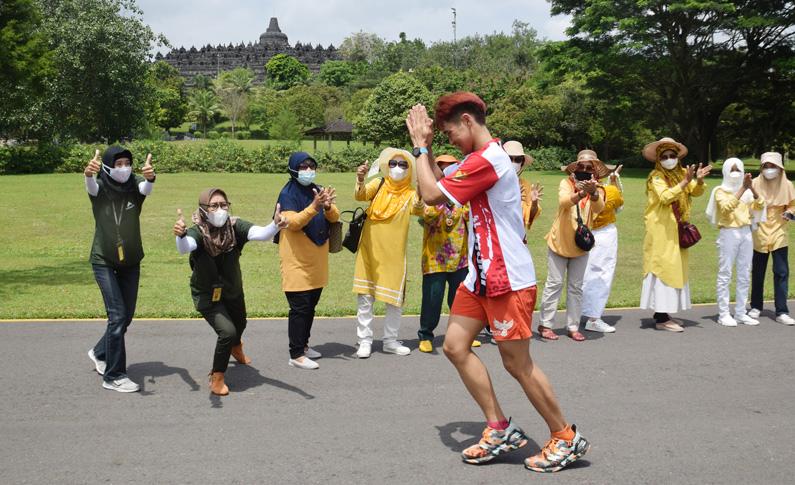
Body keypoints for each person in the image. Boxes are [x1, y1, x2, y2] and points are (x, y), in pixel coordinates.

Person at [406, 92, 589, 473]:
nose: (450, 140)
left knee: (517, 364)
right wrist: (428, 153)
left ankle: (564, 437)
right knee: (456, 347)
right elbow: (442, 192)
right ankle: (499, 428)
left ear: (469, 121)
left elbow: (428, 193)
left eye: (451, 131)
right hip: (480, 275)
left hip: (507, 278)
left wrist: (421, 147)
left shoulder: (489, 160)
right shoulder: (477, 161)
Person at [173, 188, 287, 395]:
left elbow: (260, 234)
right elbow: (185, 247)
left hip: (233, 289)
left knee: (240, 323)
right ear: (204, 209)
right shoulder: (197, 232)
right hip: (207, 294)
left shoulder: (234, 226)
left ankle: (236, 348)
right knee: (227, 332)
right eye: (214, 206)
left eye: (223, 205)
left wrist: (275, 225)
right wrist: (180, 236)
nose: (220, 209)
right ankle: (217, 377)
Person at [85, 147, 156, 393]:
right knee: (117, 316)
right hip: (104, 259)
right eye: (118, 164)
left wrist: (150, 178)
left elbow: (145, 188)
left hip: (130, 261)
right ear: (106, 166)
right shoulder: (100, 187)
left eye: (127, 163)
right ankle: (114, 375)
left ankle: (99, 351)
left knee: (125, 317)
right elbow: (91, 187)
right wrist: (87, 175)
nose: (123, 168)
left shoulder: (134, 185)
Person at [352, 147, 425, 358]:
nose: (397, 168)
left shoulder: (410, 193)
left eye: (403, 165)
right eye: (393, 163)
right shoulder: (380, 183)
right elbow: (360, 195)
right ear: (386, 166)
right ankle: (364, 340)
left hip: (394, 255)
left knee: (394, 300)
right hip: (369, 251)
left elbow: (418, 210)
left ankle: (390, 341)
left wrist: (420, 192)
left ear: (410, 169)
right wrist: (360, 178)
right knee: (365, 298)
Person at [640, 137, 711, 332]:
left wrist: (699, 180)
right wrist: (685, 182)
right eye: (665, 156)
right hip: (660, 230)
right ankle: (662, 318)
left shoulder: (681, 174)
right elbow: (664, 197)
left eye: (673, 155)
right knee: (663, 269)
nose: (669, 159)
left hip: (676, 229)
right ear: (658, 159)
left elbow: (694, 192)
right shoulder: (656, 176)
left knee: (675, 268)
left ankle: (662, 313)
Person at [276, 152, 339, 369]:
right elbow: (292, 222)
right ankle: (295, 354)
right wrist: (314, 206)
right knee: (300, 308)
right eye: (303, 166)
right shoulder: (287, 194)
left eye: (312, 166)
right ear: (293, 169)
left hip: (317, 260)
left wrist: (328, 205)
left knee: (311, 305)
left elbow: (335, 217)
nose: (308, 170)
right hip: (297, 261)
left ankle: (303, 346)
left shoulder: (318, 190)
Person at [537, 150, 607, 341]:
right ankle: (545, 324)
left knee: (576, 287)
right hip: (559, 242)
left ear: (594, 171)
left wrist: (592, 193)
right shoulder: (566, 183)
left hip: (580, 246)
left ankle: (573, 326)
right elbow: (564, 202)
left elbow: (600, 208)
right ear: (575, 168)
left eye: (588, 167)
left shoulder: (597, 188)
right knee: (554, 283)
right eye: (581, 167)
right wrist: (581, 192)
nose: (584, 170)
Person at [417, 154, 480, 352]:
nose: (447, 171)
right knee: (432, 300)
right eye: (442, 167)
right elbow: (427, 215)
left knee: (460, 300)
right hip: (435, 260)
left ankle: (462, 335)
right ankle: (426, 335)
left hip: (460, 259)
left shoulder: (463, 197)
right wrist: (445, 198)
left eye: (451, 167)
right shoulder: (431, 198)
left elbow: (472, 215)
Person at [705, 158, 765, 327]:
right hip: (729, 232)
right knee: (725, 274)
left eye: (738, 169)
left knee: (745, 273)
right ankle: (723, 313)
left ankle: (740, 312)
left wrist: (751, 188)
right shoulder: (720, 190)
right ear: (724, 171)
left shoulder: (747, 191)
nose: (735, 172)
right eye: (731, 169)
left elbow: (760, 205)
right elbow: (726, 208)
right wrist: (742, 189)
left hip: (746, 231)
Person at [749, 151, 795, 325]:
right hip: (759, 232)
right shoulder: (753, 183)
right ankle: (756, 306)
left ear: (779, 168)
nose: (769, 170)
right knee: (758, 272)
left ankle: (782, 311)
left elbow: (793, 205)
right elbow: (747, 205)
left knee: (781, 272)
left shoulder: (788, 185)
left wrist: (790, 213)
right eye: (766, 166)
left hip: (779, 231)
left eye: (773, 166)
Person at [581, 165, 625, 333]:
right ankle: (593, 317)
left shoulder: (573, 190)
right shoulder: (610, 191)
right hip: (603, 233)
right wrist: (612, 185)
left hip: (582, 234)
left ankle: (585, 313)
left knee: (584, 274)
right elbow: (619, 207)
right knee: (601, 274)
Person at [504, 140, 543, 230]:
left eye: (518, 159)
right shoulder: (493, 183)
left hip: (517, 235)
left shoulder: (525, 184)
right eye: (509, 158)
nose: (513, 162)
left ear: (522, 163)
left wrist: (534, 203)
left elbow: (529, 217)